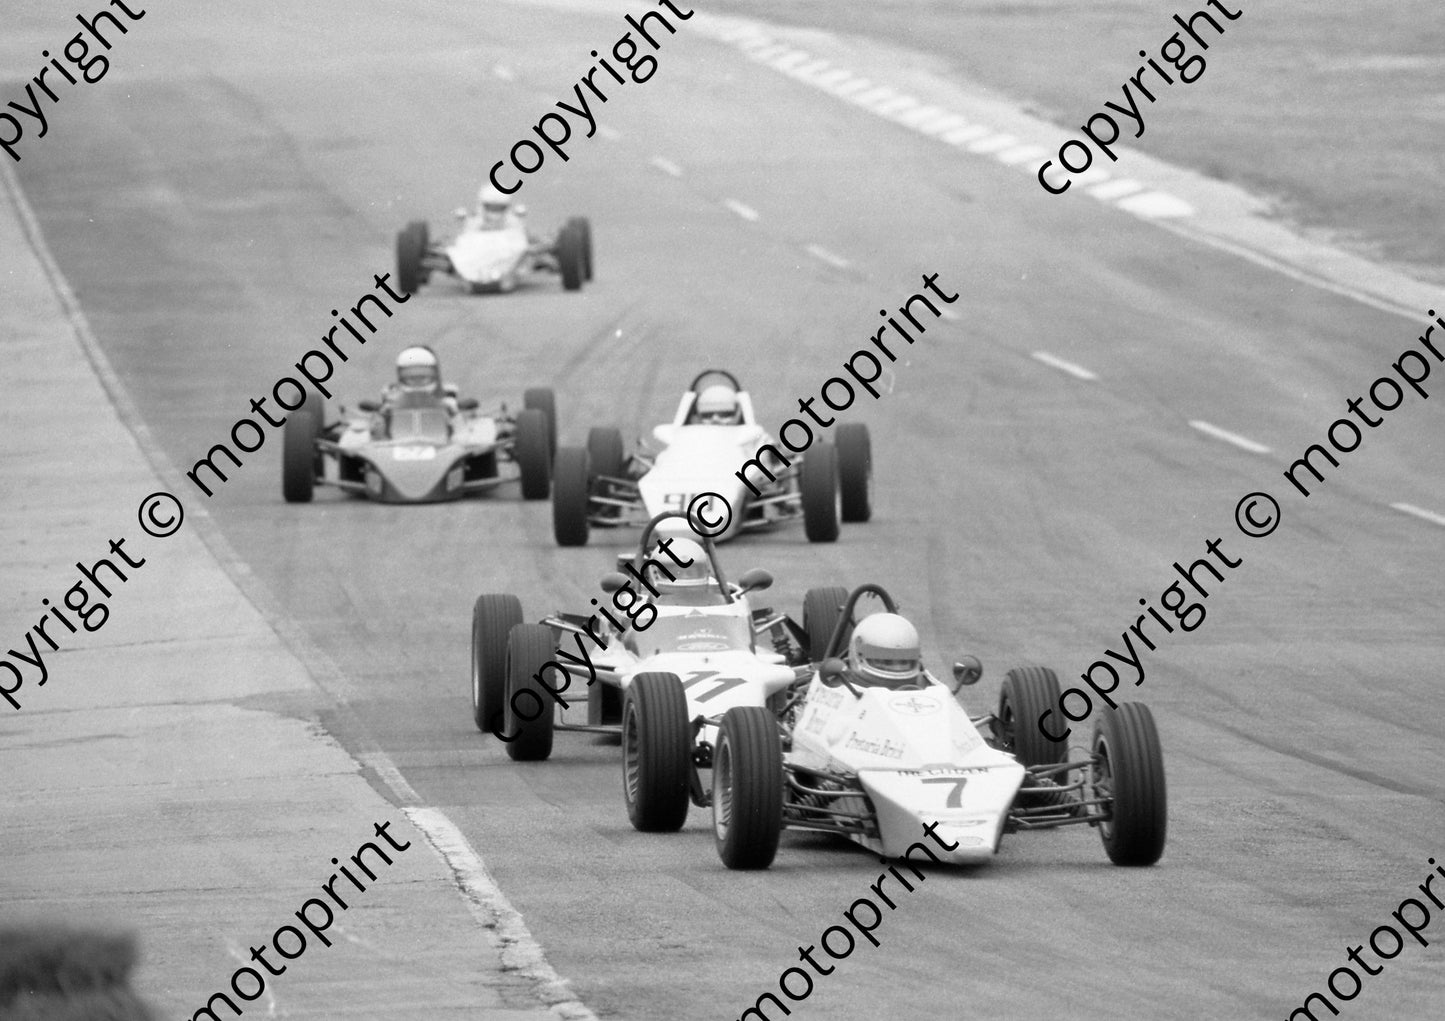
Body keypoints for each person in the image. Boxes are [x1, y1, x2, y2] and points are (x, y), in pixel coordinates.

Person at [844, 613, 925, 689]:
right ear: (859, 656)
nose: (897, 668)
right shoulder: (841, 688)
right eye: (887, 662)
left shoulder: (926, 687)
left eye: (903, 662)